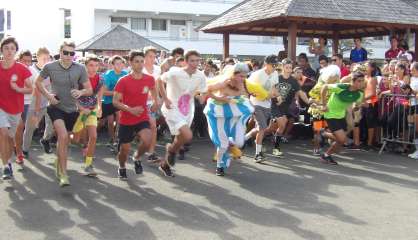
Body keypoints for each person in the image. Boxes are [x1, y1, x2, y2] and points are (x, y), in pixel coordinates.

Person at [35, 40, 93, 187]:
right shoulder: (50, 66)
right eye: (65, 52)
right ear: (60, 52)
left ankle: (58, 162)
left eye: (71, 53)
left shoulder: (80, 68)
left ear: (74, 55)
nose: (68, 56)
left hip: (72, 109)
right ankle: (64, 174)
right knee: (63, 136)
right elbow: (38, 82)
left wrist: (80, 92)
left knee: (65, 141)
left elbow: (89, 89)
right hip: (55, 107)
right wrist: (49, 96)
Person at [157, 50, 207, 177]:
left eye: (197, 60)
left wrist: (202, 97)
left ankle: (166, 163)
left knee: (182, 137)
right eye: (192, 61)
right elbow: (159, 81)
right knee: (188, 134)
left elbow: (203, 91)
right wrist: (165, 99)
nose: (195, 63)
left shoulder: (200, 75)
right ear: (185, 61)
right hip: (172, 107)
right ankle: (172, 151)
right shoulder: (175, 72)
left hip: (187, 109)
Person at [113, 50, 159, 180]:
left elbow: (153, 89)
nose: (140, 64)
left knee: (147, 139)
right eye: (136, 62)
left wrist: (156, 101)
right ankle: (122, 167)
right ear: (130, 63)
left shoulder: (149, 79)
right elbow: (115, 102)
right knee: (124, 151)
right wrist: (130, 109)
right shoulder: (123, 81)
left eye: (141, 61)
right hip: (126, 119)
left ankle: (137, 157)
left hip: (142, 116)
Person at [204, 63, 254, 176]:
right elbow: (207, 90)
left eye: (245, 76)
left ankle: (230, 143)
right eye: (241, 76)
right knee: (222, 144)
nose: (243, 78)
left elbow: (245, 95)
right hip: (219, 112)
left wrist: (249, 101)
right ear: (234, 74)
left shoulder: (243, 83)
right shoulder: (225, 82)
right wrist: (220, 98)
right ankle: (220, 166)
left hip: (234, 112)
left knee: (239, 143)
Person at [0, 36, 33, 179]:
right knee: (3, 134)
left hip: (15, 109)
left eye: (12, 48)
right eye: (6, 48)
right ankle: (5, 166)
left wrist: (18, 89)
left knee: (9, 138)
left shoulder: (22, 68)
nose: (9, 51)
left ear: (15, 51)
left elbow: (30, 89)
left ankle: (8, 161)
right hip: (1, 107)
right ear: (1, 50)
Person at [318, 72, 365, 165]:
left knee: (341, 138)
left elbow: (357, 104)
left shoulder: (360, 93)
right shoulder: (341, 87)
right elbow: (324, 87)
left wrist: (357, 107)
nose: (362, 83)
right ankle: (326, 155)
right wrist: (324, 105)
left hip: (341, 115)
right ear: (352, 81)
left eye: (363, 81)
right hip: (330, 114)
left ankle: (323, 134)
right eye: (359, 81)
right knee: (342, 139)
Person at [72, 55, 104, 177]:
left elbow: (99, 95)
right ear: (85, 66)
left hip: (91, 110)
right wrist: (81, 108)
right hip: (78, 110)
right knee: (74, 139)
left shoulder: (100, 79)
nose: (94, 68)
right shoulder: (79, 79)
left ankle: (88, 164)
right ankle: (78, 145)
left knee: (94, 136)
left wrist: (99, 107)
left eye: (96, 65)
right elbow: (72, 95)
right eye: (91, 65)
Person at [244, 55, 279, 162]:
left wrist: (275, 95)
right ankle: (258, 154)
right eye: (273, 64)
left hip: (267, 104)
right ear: (266, 64)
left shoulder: (275, 73)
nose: (274, 67)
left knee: (260, 128)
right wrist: (251, 94)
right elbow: (246, 86)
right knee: (263, 127)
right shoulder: (257, 74)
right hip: (256, 104)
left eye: (276, 65)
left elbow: (274, 88)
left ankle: (243, 139)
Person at [271, 59, 310, 156]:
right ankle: (276, 148)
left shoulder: (293, 81)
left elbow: (301, 93)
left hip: (285, 107)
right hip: (275, 106)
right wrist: (276, 97)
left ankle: (254, 136)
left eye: (290, 67)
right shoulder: (276, 78)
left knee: (272, 128)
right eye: (287, 67)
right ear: (283, 67)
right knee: (282, 125)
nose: (289, 69)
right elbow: (270, 90)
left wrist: (309, 102)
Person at [22, 47, 54, 157]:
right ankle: (25, 149)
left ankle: (45, 140)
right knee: (30, 128)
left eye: (48, 58)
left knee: (52, 123)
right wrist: (36, 109)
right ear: (38, 58)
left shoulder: (50, 69)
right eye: (44, 58)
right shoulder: (31, 70)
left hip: (48, 103)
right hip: (34, 103)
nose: (46, 61)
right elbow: (36, 89)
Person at [102, 55, 128, 152]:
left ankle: (117, 139)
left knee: (119, 118)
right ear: (113, 65)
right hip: (108, 101)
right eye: (117, 64)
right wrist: (117, 93)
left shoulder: (125, 73)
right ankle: (112, 139)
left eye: (121, 63)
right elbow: (104, 92)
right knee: (110, 121)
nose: (120, 65)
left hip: (120, 102)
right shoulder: (108, 75)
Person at [142, 46, 162, 163]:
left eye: (154, 57)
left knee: (153, 126)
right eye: (150, 56)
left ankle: (151, 152)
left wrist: (157, 98)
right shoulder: (139, 69)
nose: (152, 59)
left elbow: (158, 85)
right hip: (139, 102)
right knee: (141, 128)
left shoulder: (157, 69)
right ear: (144, 57)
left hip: (152, 102)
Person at [15, 50, 34, 164]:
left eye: (29, 61)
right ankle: (18, 153)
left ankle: (18, 150)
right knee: (19, 127)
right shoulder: (13, 70)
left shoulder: (32, 72)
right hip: (13, 103)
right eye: (24, 61)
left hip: (27, 104)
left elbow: (36, 87)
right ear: (19, 59)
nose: (26, 63)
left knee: (20, 129)